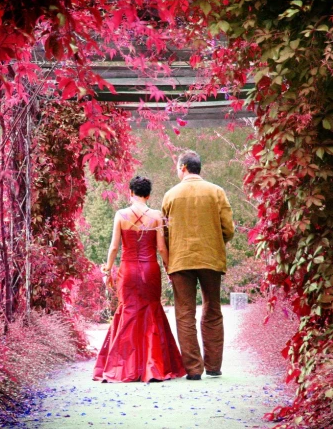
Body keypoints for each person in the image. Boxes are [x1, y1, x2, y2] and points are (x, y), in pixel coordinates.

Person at [93, 176, 186, 383]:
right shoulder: (156, 215)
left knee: (128, 310)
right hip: (150, 269)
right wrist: (170, 268)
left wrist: (107, 269)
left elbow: (114, 247)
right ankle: (153, 366)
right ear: (149, 195)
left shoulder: (121, 214)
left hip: (128, 270)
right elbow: (161, 248)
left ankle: (123, 367)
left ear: (130, 193)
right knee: (151, 311)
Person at [162, 150, 235, 380]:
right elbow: (229, 229)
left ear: (183, 167)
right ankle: (214, 366)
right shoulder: (216, 192)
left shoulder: (170, 195)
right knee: (212, 309)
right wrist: (212, 240)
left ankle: (193, 369)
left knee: (185, 313)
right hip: (210, 258)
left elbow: (164, 233)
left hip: (180, 260)